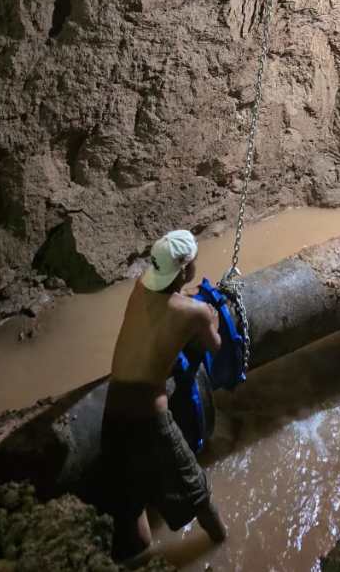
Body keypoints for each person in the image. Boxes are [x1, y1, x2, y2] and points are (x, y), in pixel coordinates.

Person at [102, 229, 228, 561]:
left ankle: (140, 560)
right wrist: (212, 315)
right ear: (186, 270)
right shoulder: (194, 313)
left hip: (112, 414)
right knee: (199, 494)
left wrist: (186, 296)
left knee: (130, 506)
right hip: (150, 418)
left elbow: (166, 304)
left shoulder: (139, 287)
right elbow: (214, 345)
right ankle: (225, 549)